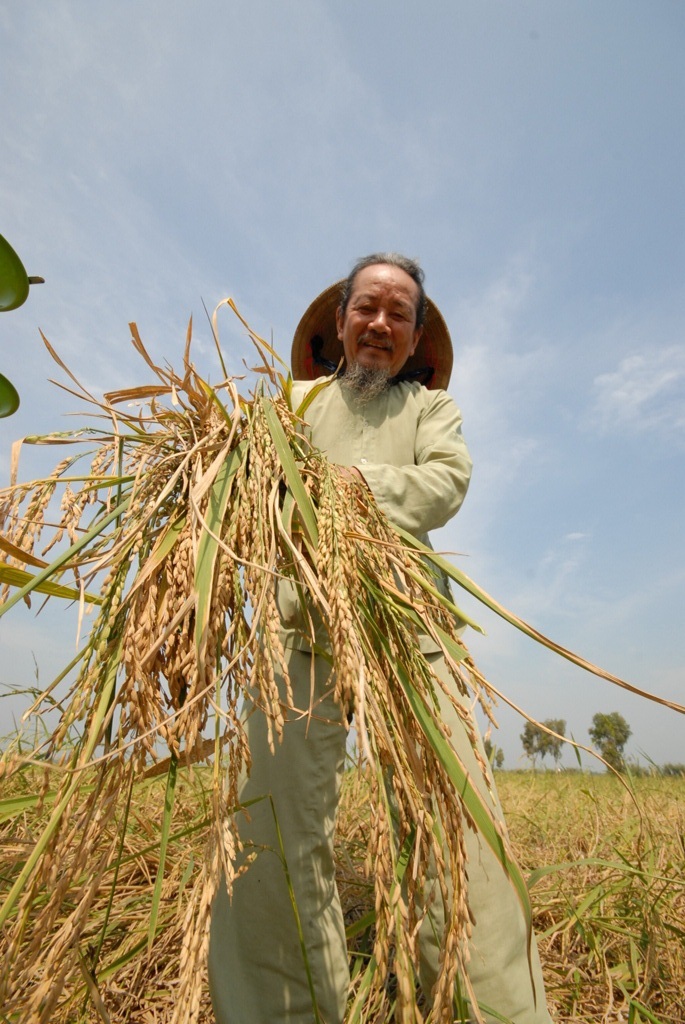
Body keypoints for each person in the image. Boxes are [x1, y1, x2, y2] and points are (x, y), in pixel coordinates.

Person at [208, 254, 553, 1024]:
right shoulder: (289, 405)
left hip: (411, 631)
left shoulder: (431, 411)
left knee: (458, 827)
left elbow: (443, 483)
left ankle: (489, 1007)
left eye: (399, 313)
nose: (379, 323)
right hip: (302, 627)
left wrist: (346, 486)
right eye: (366, 307)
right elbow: (248, 491)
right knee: (268, 825)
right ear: (338, 324)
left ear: (414, 338)